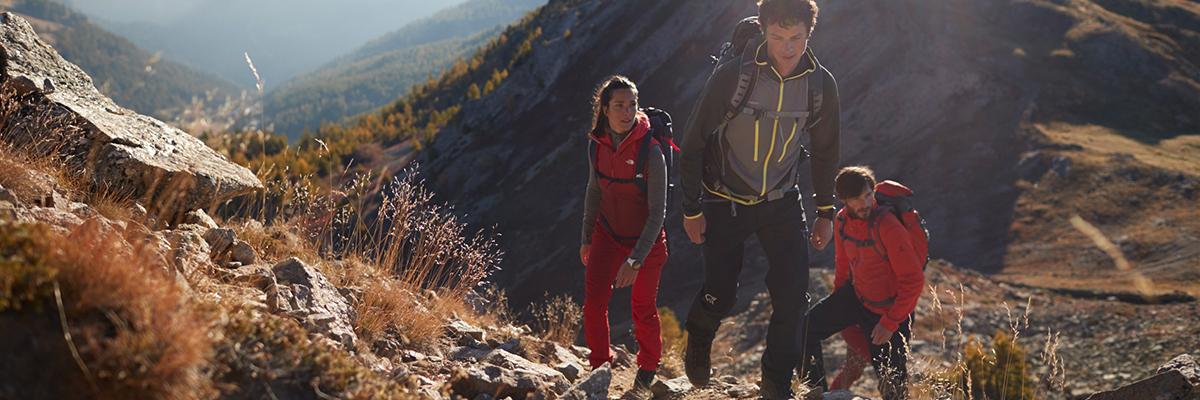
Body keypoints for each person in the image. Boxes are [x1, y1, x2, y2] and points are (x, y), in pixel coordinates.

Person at [677, 0, 841, 397]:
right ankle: (700, 335)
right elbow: (693, 142)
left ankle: (775, 387)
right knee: (721, 293)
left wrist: (825, 211)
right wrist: (691, 208)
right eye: (777, 38)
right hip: (724, 199)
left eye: (796, 38)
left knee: (792, 299)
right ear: (764, 31)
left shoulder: (820, 85)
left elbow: (825, 152)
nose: (787, 48)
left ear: (810, 34)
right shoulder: (735, 77)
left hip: (781, 202)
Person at [799, 166, 925, 400]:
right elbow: (843, 265)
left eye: (868, 195)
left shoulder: (888, 226)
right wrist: (838, 306)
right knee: (803, 332)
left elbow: (914, 281)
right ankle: (818, 394)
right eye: (857, 199)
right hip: (857, 297)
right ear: (844, 200)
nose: (865, 203)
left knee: (893, 389)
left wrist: (890, 323)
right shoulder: (842, 220)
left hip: (890, 312)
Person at [579, 75, 669, 399]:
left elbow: (658, 213)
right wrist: (586, 236)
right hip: (607, 234)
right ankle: (600, 370)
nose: (627, 111)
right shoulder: (596, 144)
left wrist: (635, 260)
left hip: (646, 241)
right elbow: (593, 191)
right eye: (619, 105)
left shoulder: (652, 151)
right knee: (593, 304)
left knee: (643, 308)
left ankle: (646, 372)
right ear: (605, 108)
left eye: (632, 105)